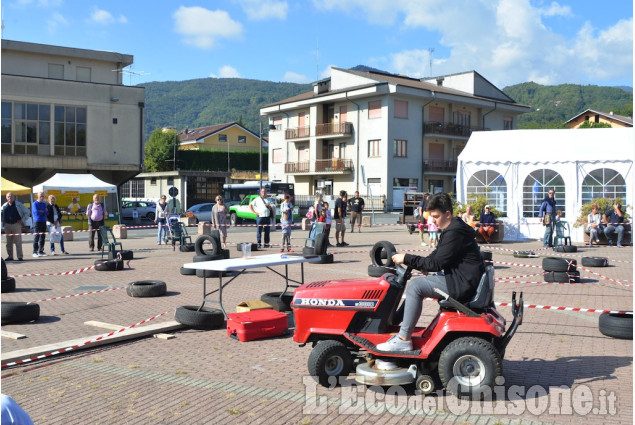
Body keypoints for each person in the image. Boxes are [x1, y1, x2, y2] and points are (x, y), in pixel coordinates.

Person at [376, 192, 485, 351]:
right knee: (420, 284)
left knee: (415, 286)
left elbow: (436, 263)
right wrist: (422, 265)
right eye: (431, 216)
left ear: (447, 214)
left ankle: (404, 339)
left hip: (461, 284)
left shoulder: (454, 232)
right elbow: (437, 256)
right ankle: (398, 324)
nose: (432, 221)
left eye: (436, 216)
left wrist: (407, 258)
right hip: (462, 279)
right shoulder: (454, 227)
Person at [1, 192, 30, 261]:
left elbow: (27, 212)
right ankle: (10, 256)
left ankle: (20, 256)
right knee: (9, 242)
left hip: (16, 225)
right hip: (7, 225)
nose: (10, 198)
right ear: (6, 198)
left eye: (11, 196)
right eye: (8, 197)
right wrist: (3, 220)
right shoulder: (4, 206)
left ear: (14, 197)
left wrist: (22, 220)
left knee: (18, 241)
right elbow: (1, 214)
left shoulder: (19, 205)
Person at [31, 192, 48, 258]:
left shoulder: (44, 204)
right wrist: (43, 211)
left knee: (42, 236)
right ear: (37, 196)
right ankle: (35, 251)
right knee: (36, 236)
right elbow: (36, 212)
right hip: (37, 221)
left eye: (43, 196)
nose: (42, 197)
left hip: (43, 221)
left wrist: (42, 211)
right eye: (41, 196)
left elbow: (47, 212)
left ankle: (41, 251)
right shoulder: (34, 203)